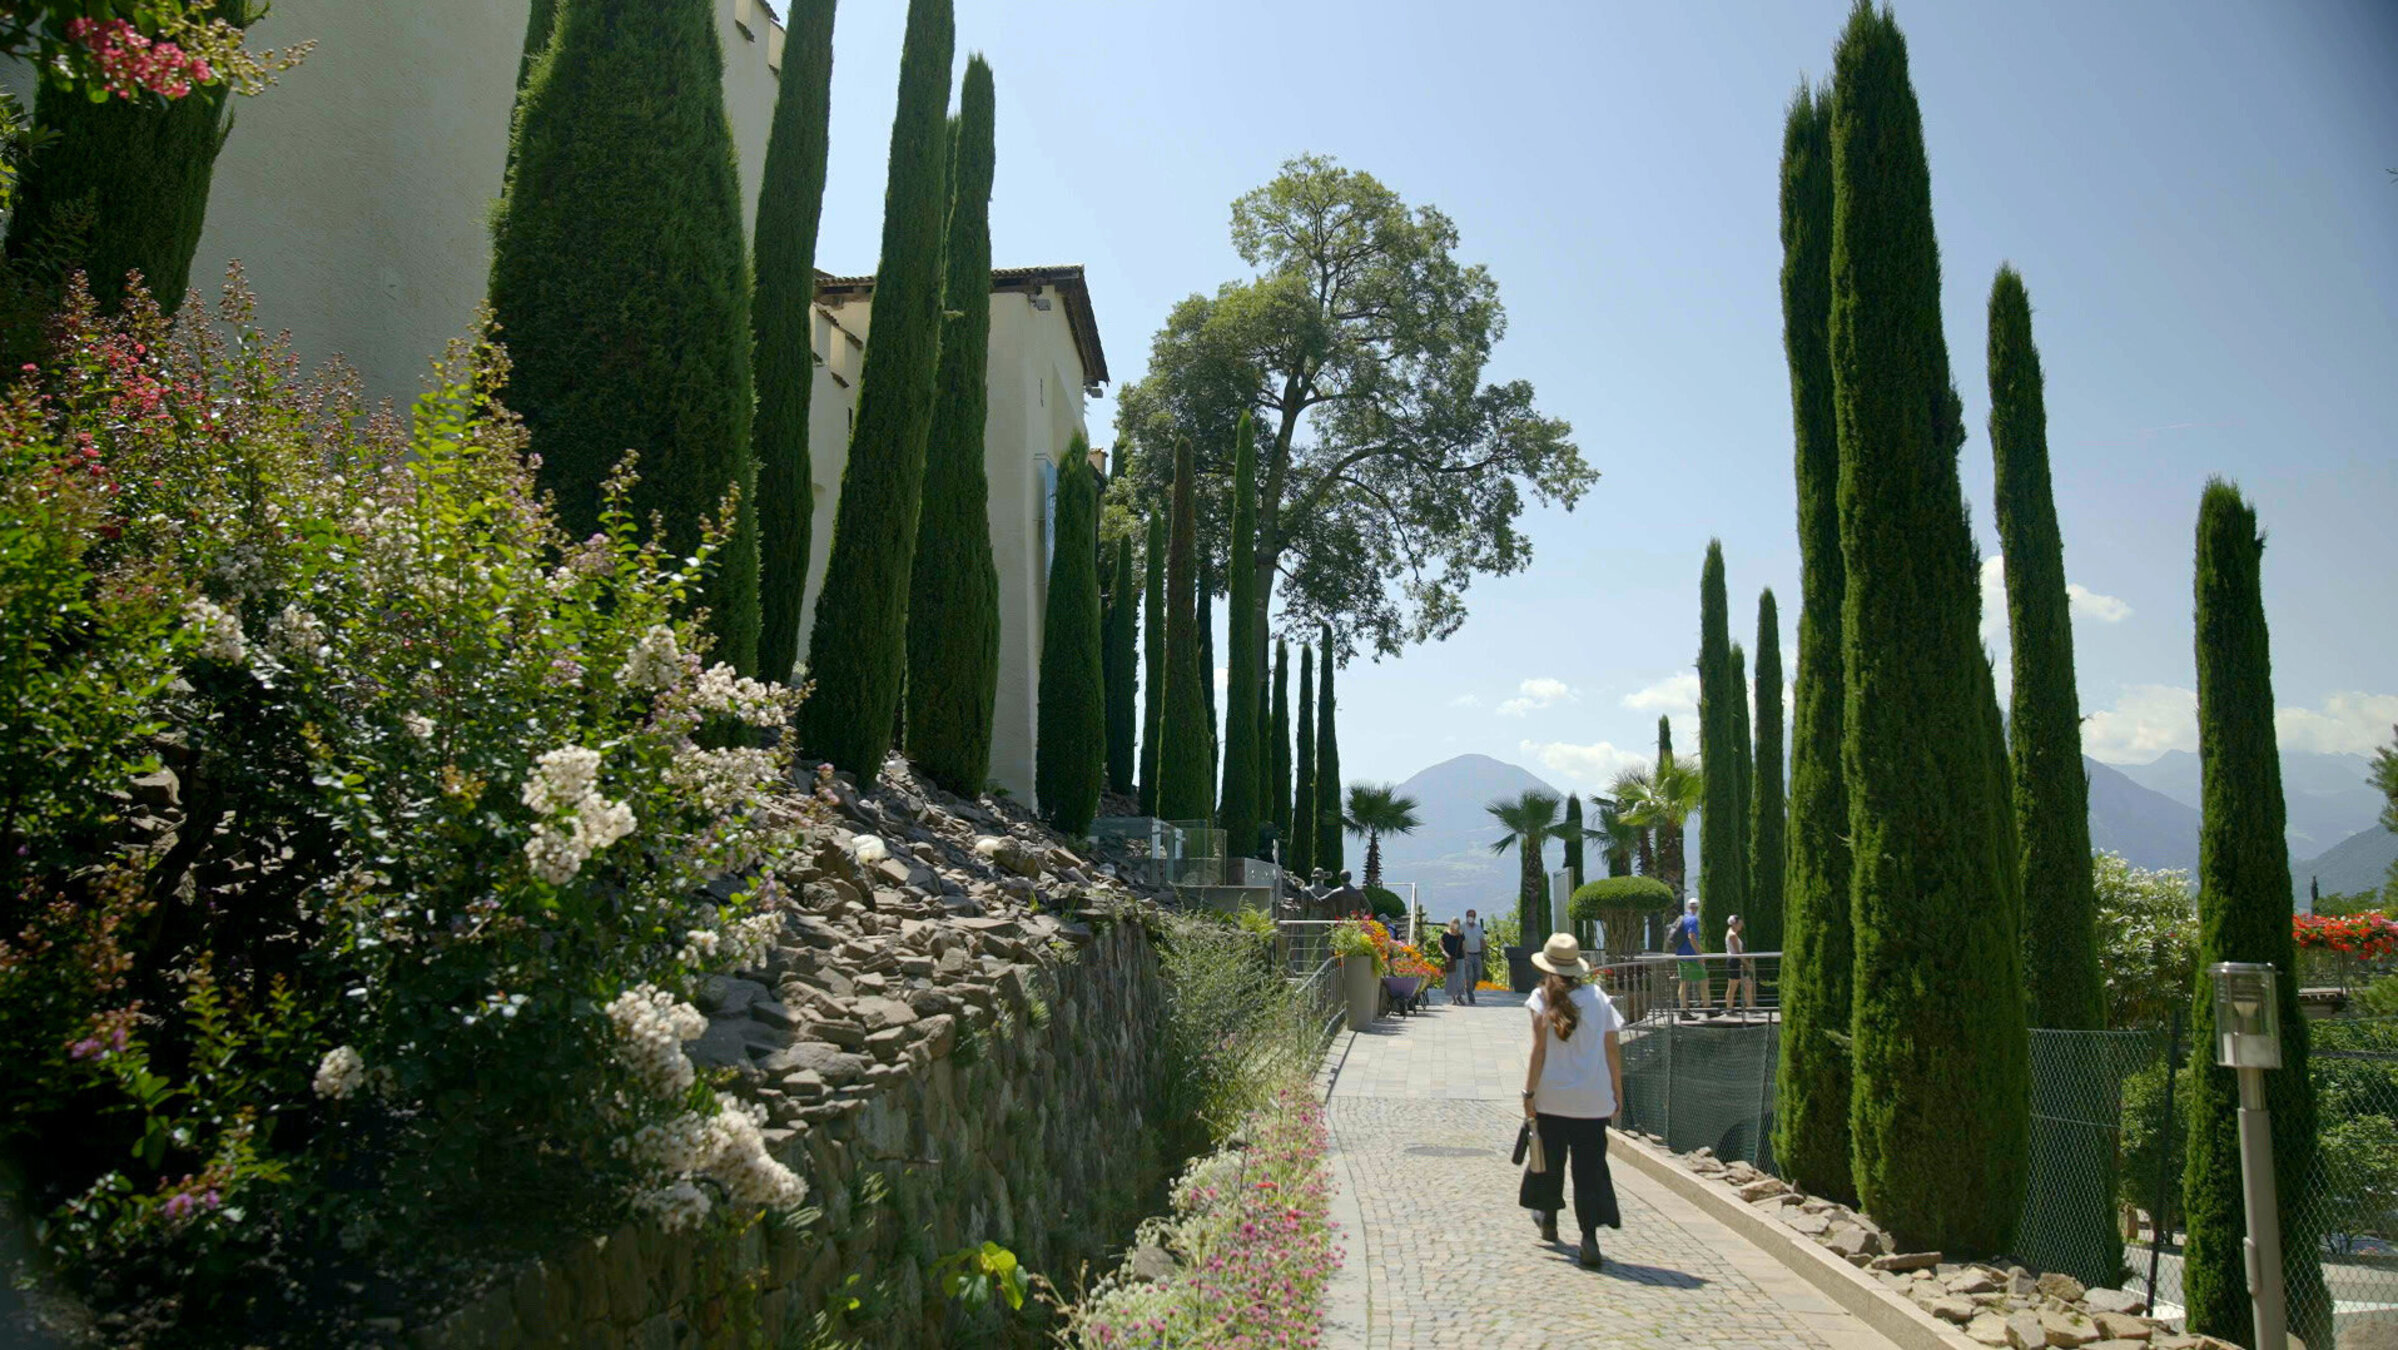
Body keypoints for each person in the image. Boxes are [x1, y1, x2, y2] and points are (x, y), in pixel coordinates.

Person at [1520, 932, 1625, 1269]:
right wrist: (1617, 1093)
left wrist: (1529, 1093)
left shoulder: (1541, 998)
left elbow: (1539, 1051)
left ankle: (1548, 1219)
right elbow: (1612, 1051)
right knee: (1590, 1169)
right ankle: (1589, 1237)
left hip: (1552, 1098)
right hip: (1593, 1100)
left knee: (1549, 1161)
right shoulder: (1599, 999)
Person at [1669, 898, 1709, 1017]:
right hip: (1691, 957)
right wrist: (1700, 955)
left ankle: (1683, 1011)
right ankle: (1708, 1008)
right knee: (1704, 981)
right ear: (1697, 907)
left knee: (1683, 983)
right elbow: (1692, 937)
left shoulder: (1683, 918)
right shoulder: (1692, 920)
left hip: (1681, 955)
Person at [1722, 912, 1752, 1016]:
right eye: (1739, 923)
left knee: (1748, 984)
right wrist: (1747, 964)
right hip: (1734, 962)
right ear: (1734, 923)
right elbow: (1738, 952)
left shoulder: (1732, 933)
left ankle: (1750, 1007)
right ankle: (1729, 1008)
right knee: (1732, 986)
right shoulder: (1732, 935)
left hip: (1737, 961)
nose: (1741, 925)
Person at [1459, 909, 1486, 1005]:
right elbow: (1460, 941)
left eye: (1472, 916)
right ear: (1466, 917)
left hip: (1477, 954)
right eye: (1469, 915)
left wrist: (1485, 951)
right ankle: (1471, 996)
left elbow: (1482, 940)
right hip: (1467, 955)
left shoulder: (1478, 928)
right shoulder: (1463, 927)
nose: (1471, 917)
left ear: (1475, 917)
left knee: (1478, 975)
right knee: (1469, 976)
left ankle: (1469, 989)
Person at [1440, 920, 1467, 1004]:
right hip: (1450, 959)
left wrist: (1466, 957)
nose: (1455, 925)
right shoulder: (1445, 934)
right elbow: (1440, 945)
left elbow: (1464, 946)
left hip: (1460, 958)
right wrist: (1445, 953)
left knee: (1461, 978)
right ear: (1450, 924)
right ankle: (1453, 998)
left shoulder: (1461, 935)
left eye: (1457, 923)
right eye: (1454, 923)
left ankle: (1459, 996)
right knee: (1451, 978)